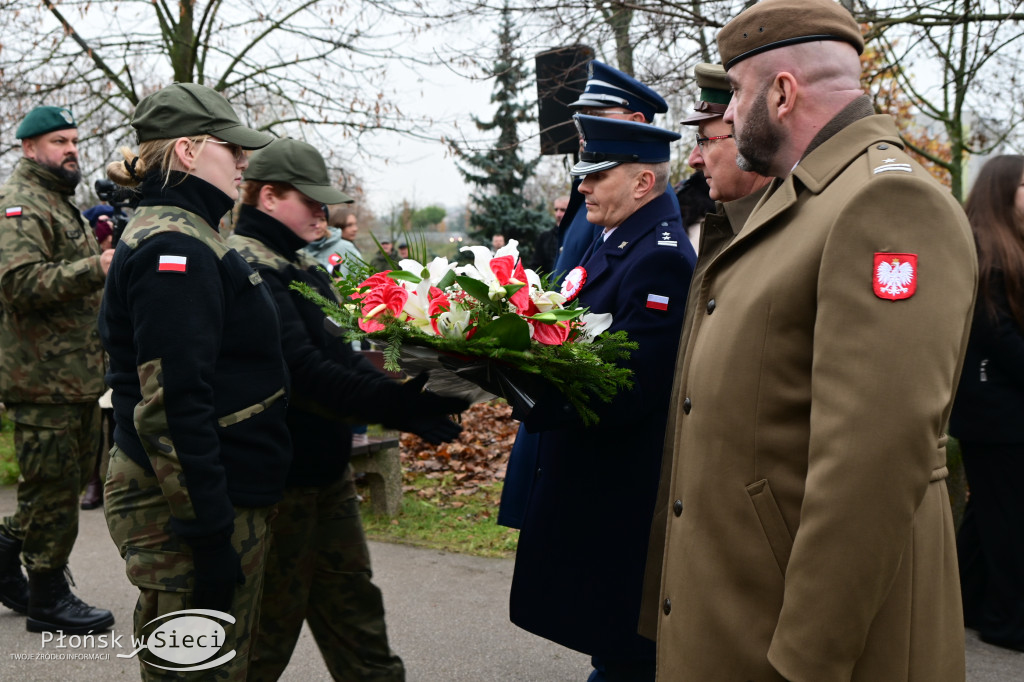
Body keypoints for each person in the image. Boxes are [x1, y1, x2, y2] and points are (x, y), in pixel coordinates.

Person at [649, 1, 977, 679]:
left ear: (783, 91)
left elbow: (873, 465)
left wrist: (806, 660)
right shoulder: (799, 200)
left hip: (804, 646)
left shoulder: (884, 205)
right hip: (747, 616)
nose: (730, 116)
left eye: (737, 95)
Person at [227, 137, 467, 681]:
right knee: (259, 646)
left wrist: (418, 398)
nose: (324, 213)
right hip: (276, 495)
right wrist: (404, 404)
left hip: (323, 480)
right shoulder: (248, 269)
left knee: (360, 633)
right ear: (268, 197)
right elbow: (306, 377)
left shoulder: (297, 265)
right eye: (310, 201)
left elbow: (343, 359)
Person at [98, 83, 289, 680]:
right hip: (192, 505)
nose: (242, 162)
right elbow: (173, 405)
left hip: (212, 489)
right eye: (231, 148)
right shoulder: (174, 248)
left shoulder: (187, 231)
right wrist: (209, 535)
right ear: (187, 151)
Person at [509, 114, 696, 682]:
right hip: (590, 477)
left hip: (618, 490)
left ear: (643, 183)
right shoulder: (617, 238)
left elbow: (633, 388)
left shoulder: (658, 256)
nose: (582, 186)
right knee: (613, 650)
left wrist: (526, 385)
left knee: (627, 653)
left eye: (597, 174)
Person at [0, 105, 115, 634]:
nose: (70, 149)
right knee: (52, 491)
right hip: (42, 380)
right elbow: (19, 285)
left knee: (57, 486)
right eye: (57, 141)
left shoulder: (60, 202)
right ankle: (48, 598)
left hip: (74, 376)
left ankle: (4, 554)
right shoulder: (21, 205)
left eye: (73, 139)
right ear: (28, 148)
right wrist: (97, 266)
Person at [949, 154, 1024, 653]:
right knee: (1010, 520)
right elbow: (997, 335)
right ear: (1004, 191)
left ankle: (965, 601)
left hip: (1000, 406)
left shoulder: (1006, 248)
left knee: (990, 516)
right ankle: (1008, 621)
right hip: (994, 411)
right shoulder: (981, 250)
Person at [552, 60, 677, 284]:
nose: (584, 131)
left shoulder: (643, 195)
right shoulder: (596, 188)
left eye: (595, 116)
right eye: (581, 118)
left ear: (638, 121)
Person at [528, 195, 566, 275]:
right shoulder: (544, 237)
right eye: (556, 210)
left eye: (563, 210)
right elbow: (535, 267)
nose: (558, 214)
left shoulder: (578, 238)